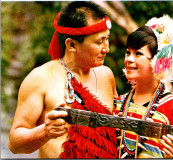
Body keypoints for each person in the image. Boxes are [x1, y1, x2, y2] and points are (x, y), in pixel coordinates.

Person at [8, 2, 118, 158]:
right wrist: (45, 131)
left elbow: (116, 134)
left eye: (107, 39)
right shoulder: (40, 78)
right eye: (99, 42)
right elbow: (14, 144)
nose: (106, 48)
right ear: (71, 44)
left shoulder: (106, 75)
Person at [114, 15, 173, 158]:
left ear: (157, 61)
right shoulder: (118, 104)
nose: (129, 59)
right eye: (127, 53)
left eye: (138, 54)